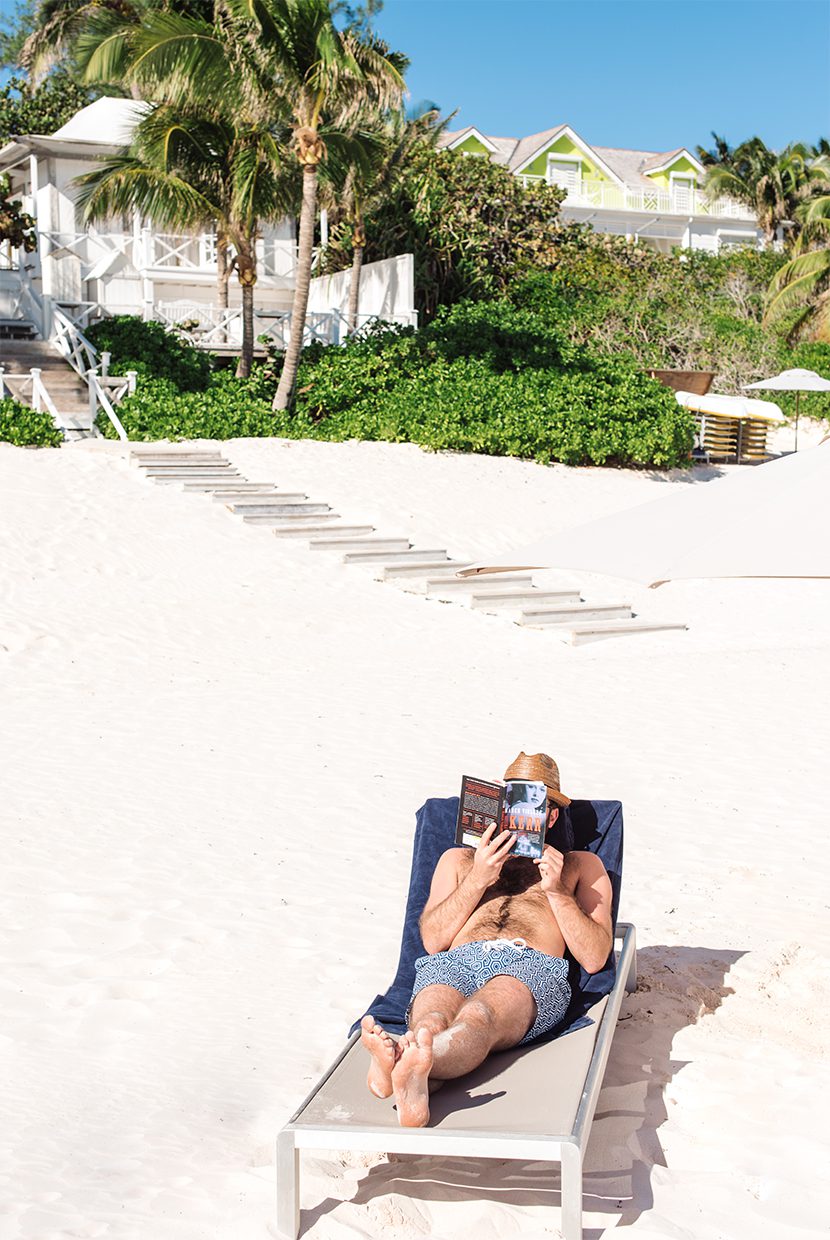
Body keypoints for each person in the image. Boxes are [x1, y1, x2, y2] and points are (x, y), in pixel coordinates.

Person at [361, 751, 613, 1127]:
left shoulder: (578, 865)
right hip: (454, 961)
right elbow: (432, 940)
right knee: (430, 1020)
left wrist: (557, 892)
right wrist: (478, 877)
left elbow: (594, 957)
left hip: (529, 966)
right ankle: (412, 1069)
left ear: (550, 816)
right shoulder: (459, 860)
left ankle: (403, 1062)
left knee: (479, 1016)